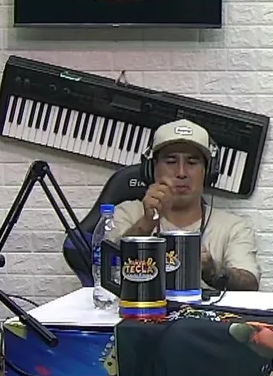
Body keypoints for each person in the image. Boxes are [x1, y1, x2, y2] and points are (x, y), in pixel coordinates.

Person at [108, 119, 260, 291]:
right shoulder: (125, 214)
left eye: (192, 163)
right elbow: (107, 271)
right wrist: (146, 224)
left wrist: (212, 272)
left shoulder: (233, 227)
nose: (181, 173)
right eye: (171, 161)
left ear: (207, 172)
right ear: (152, 169)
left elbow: (250, 285)